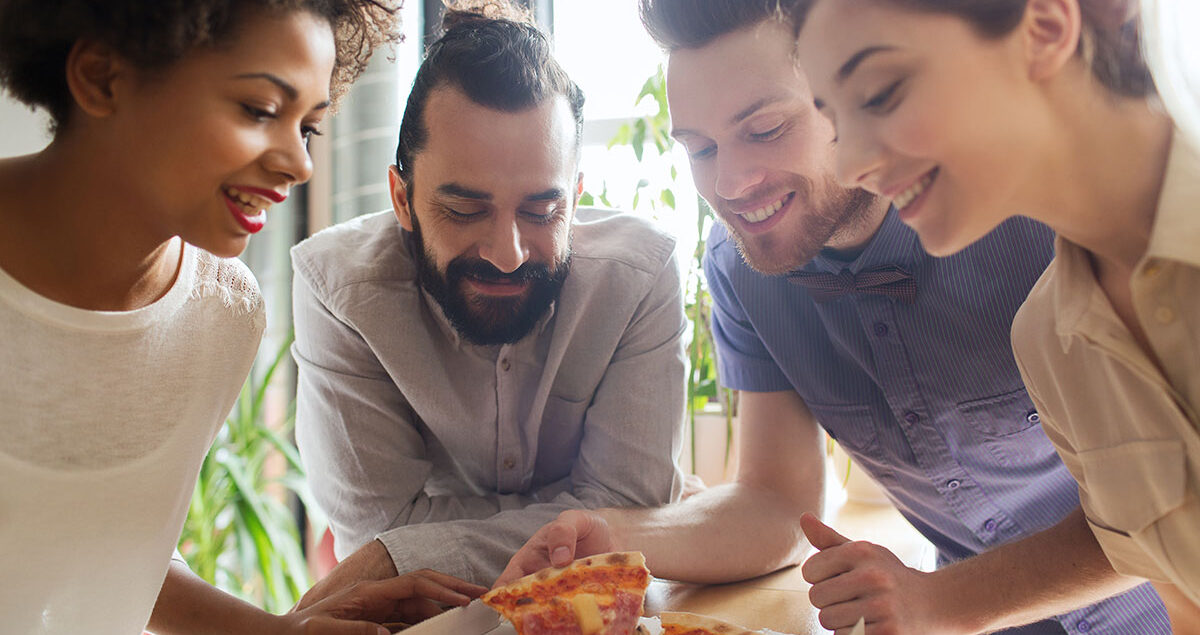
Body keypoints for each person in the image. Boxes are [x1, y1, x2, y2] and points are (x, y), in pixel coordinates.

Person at [501, 1, 1171, 633]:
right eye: (700, 149)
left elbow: (1160, 509)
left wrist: (947, 600)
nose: (730, 182)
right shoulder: (742, 270)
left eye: (766, 129)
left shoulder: (1045, 219)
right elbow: (775, 500)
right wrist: (614, 535)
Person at [0, 1, 487, 633]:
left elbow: (113, 554)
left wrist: (286, 631)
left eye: (307, 128)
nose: (299, 163)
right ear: (101, 76)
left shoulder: (220, 312)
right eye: (260, 111)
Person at [791, 0, 1200, 626]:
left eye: (880, 94)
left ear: (1044, 28)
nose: (849, 166)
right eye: (838, 125)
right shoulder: (1052, 345)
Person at [289, 0, 687, 607]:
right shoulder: (338, 290)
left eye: (541, 211)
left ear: (576, 199)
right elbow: (377, 531)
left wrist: (408, 547)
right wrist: (573, 511)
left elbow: (628, 513)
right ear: (402, 198)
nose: (508, 253)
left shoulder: (640, 276)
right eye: (465, 210)